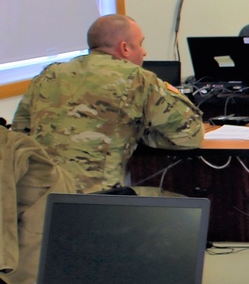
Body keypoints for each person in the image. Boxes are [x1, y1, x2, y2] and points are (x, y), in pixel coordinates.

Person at [11, 14, 205, 194]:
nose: (144, 52)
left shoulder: (49, 75)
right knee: (188, 204)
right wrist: (139, 134)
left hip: (37, 200)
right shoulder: (137, 78)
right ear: (125, 48)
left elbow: (21, 134)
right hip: (97, 200)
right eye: (140, 44)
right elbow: (190, 135)